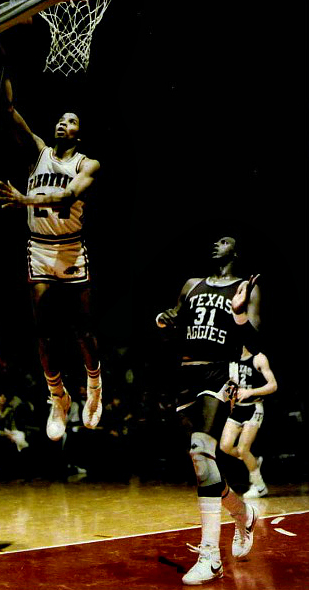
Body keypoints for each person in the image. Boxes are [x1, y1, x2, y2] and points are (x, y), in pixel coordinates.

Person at [0, 69, 103, 442]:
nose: (62, 123)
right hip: (40, 248)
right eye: (60, 119)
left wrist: (23, 199)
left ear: (78, 133)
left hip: (70, 247)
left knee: (82, 329)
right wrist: (3, 62)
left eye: (70, 121)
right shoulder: (37, 152)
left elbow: (69, 196)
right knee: (44, 333)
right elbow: (8, 109)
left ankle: (94, 386)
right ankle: (58, 396)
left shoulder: (86, 164)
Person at [156, 236, 261, 585]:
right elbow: (173, 324)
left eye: (225, 241)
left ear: (236, 252)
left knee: (201, 451)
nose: (216, 243)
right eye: (215, 240)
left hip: (220, 372)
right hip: (187, 373)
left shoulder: (245, 288)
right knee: (203, 464)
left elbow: (255, 344)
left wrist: (239, 313)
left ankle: (210, 557)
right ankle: (243, 514)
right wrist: (164, 320)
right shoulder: (191, 285)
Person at [220, 346, 277, 498]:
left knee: (243, 449)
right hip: (237, 409)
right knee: (225, 446)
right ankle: (253, 461)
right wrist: (227, 397)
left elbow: (273, 385)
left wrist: (250, 392)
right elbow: (230, 384)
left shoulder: (258, 358)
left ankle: (260, 487)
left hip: (254, 407)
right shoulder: (231, 360)